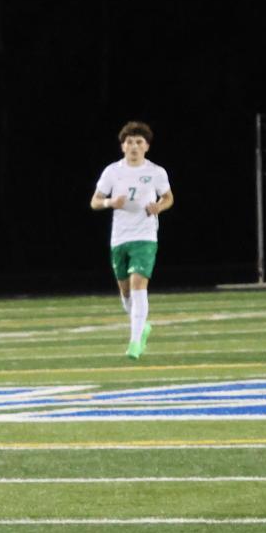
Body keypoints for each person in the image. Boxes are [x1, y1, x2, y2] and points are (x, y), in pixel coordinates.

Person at [89, 122, 174, 359]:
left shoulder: (156, 172)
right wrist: (109, 203)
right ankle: (142, 325)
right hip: (119, 238)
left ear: (146, 146)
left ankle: (135, 343)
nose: (134, 146)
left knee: (139, 285)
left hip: (145, 236)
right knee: (126, 295)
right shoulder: (112, 172)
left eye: (139, 142)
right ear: (122, 146)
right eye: (129, 142)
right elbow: (95, 201)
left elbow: (168, 198)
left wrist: (159, 207)